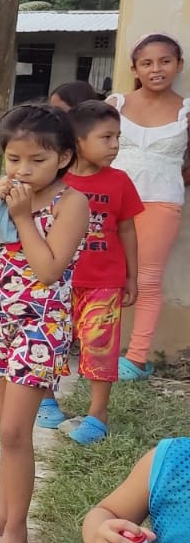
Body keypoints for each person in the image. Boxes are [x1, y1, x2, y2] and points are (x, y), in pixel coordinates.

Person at [0, 105, 87, 543]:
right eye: (14, 159)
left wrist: (24, 218)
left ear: (64, 158)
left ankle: (17, 529)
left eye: (37, 160)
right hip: (1, 320)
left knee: (16, 430)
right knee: (4, 427)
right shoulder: (8, 198)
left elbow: (49, 270)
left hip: (42, 324)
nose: (23, 170)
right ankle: (0, 513)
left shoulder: (71, 203)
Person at [38, 100, 143, 445]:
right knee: (49, 341)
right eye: (106, 137)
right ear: (78, 141)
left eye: (118, 138)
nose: (115, 145)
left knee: (100, 346)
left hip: (104, 283)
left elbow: (127, 230)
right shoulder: (54, 180)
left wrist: (131, 276)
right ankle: (46, 401)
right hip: (57, 280)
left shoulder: (120, 181)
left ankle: (98, 415)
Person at [109, 33, 188, 380]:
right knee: (103, 275)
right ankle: (97, 347)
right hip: (110, 202)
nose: (156, 69)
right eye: (147, 63)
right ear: (135, 69)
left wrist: (172, 177)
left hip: (161, 203)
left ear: (178, 65)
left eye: (165, 61)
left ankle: (137, 358)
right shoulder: (115, 104)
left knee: (148, 280)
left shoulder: (187, 111)